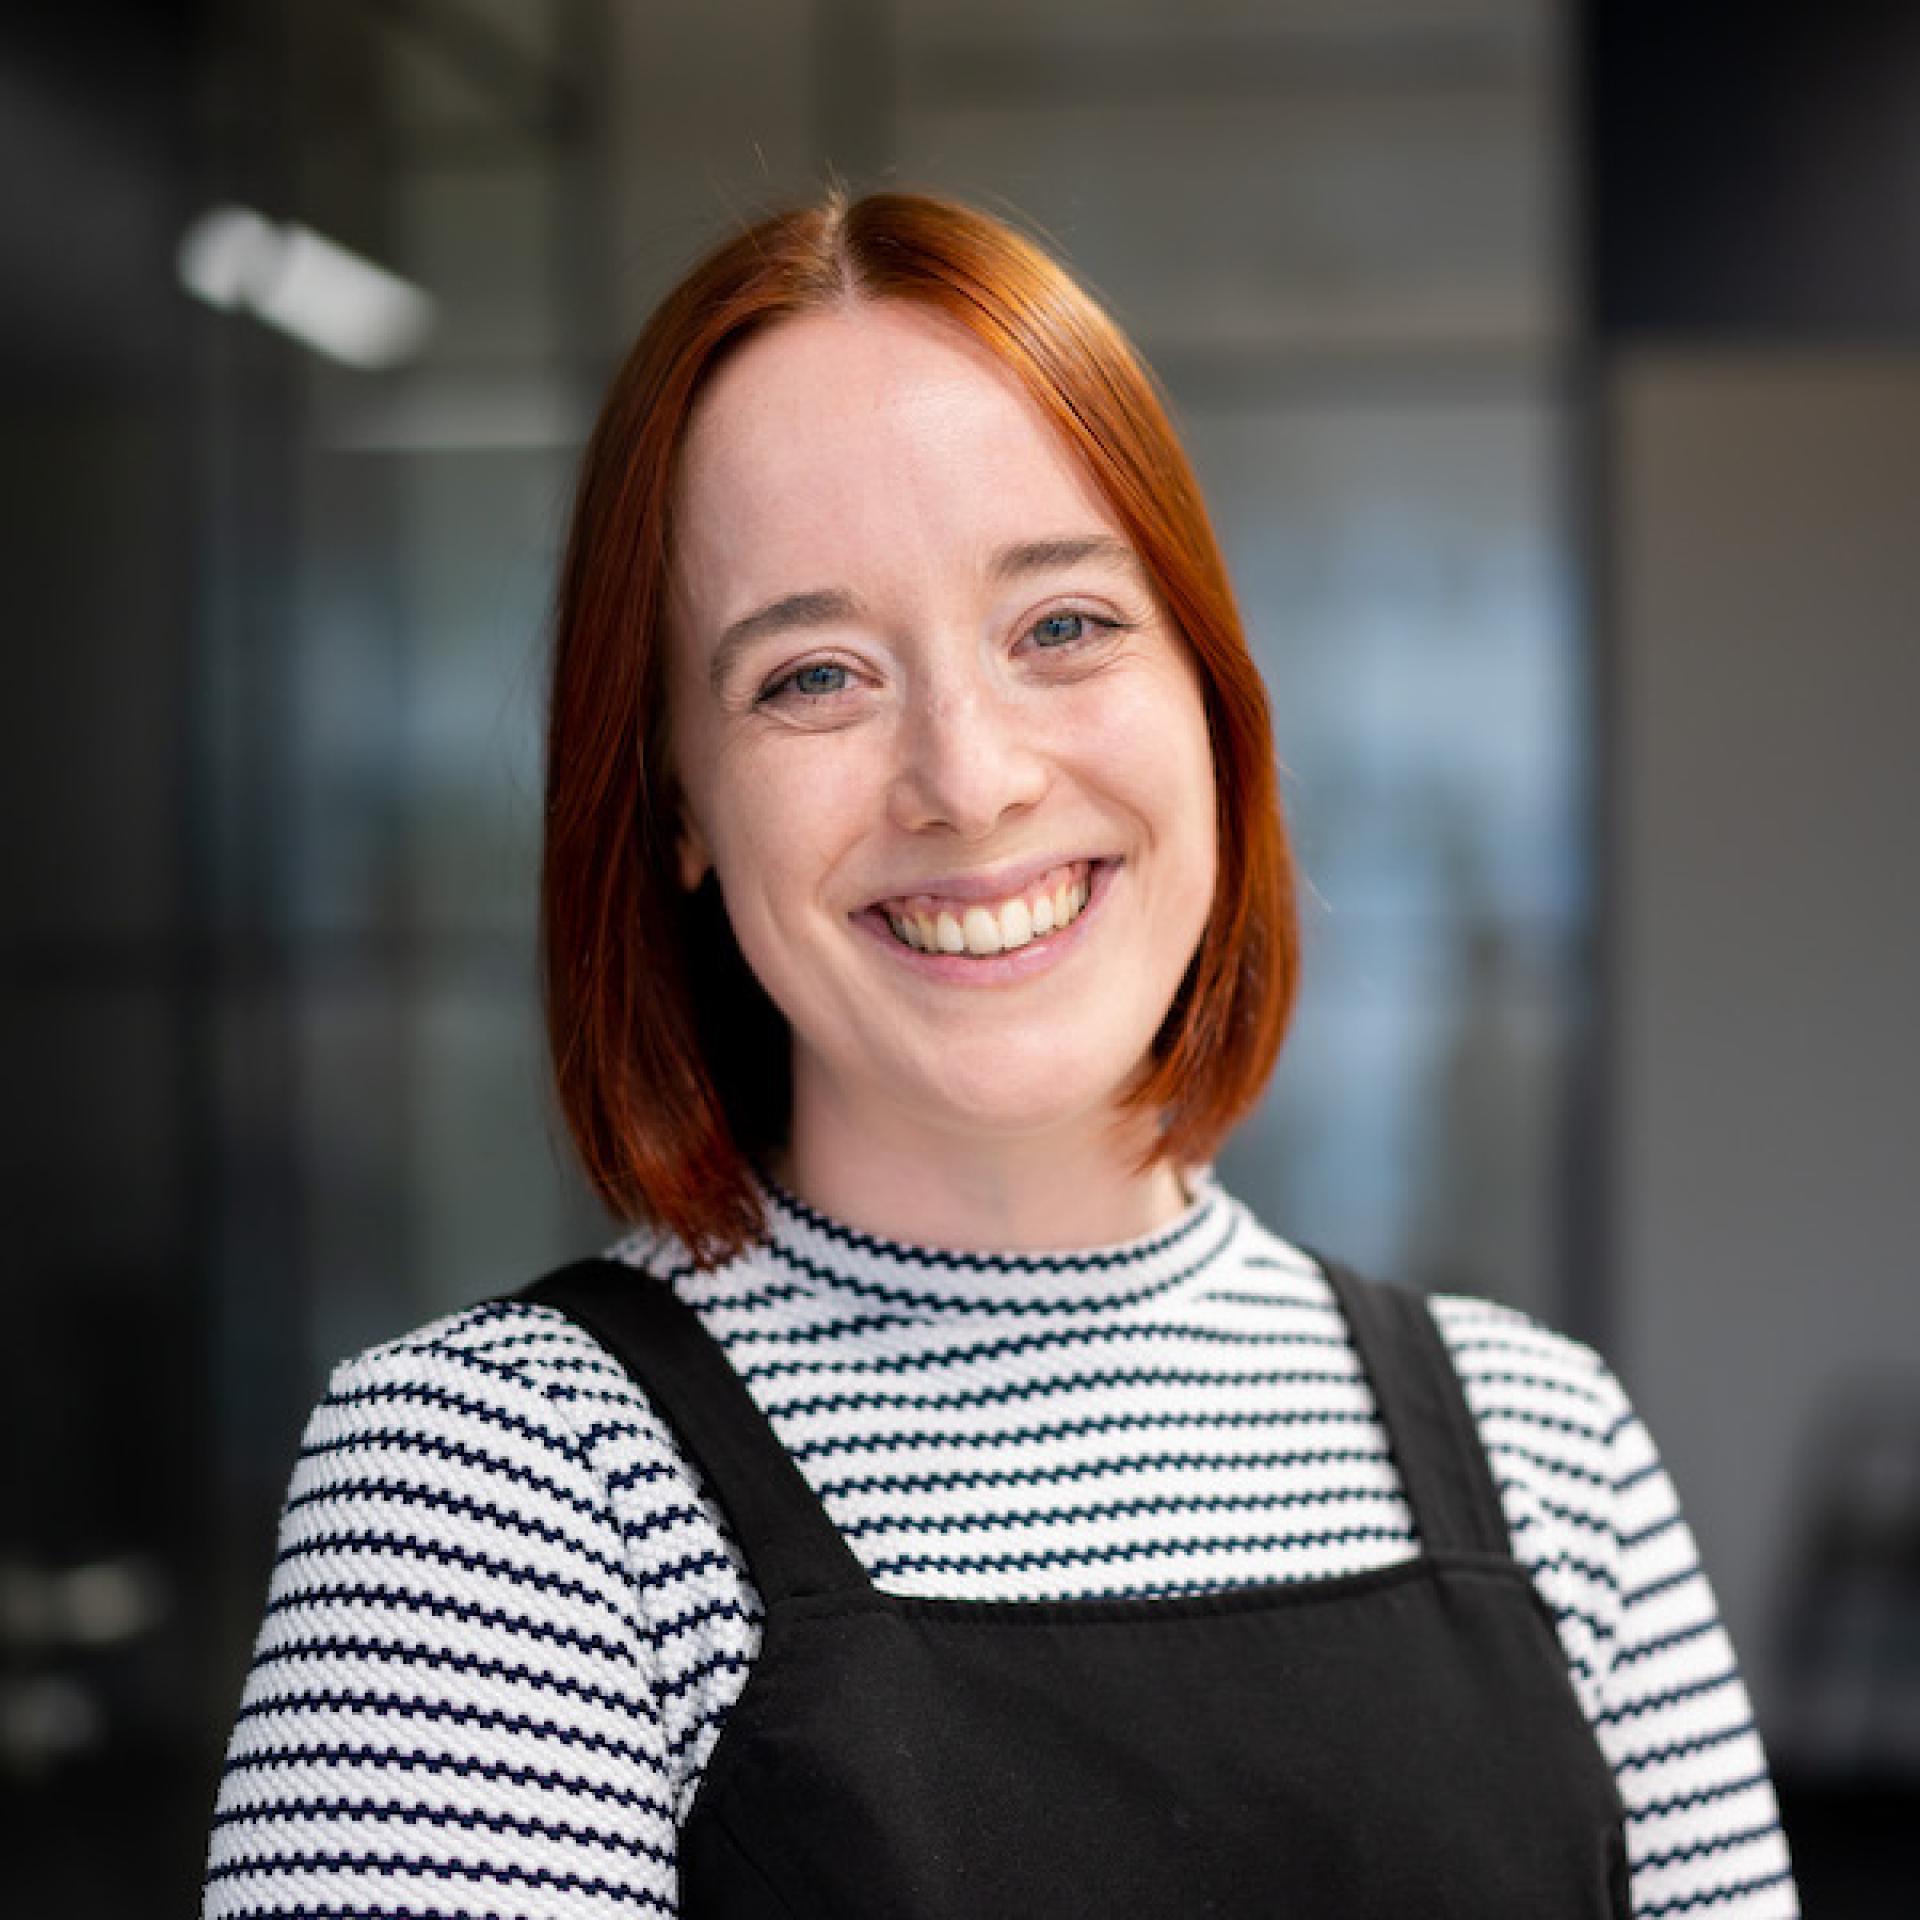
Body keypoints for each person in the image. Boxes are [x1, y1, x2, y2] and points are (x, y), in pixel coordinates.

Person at [202, 186, 1800, 1917]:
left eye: (1062, 627)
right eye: (813, 676)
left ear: (1210, 694)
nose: (968, 781)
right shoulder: (496, 1483)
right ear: (676, 805)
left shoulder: (1551, 1455)